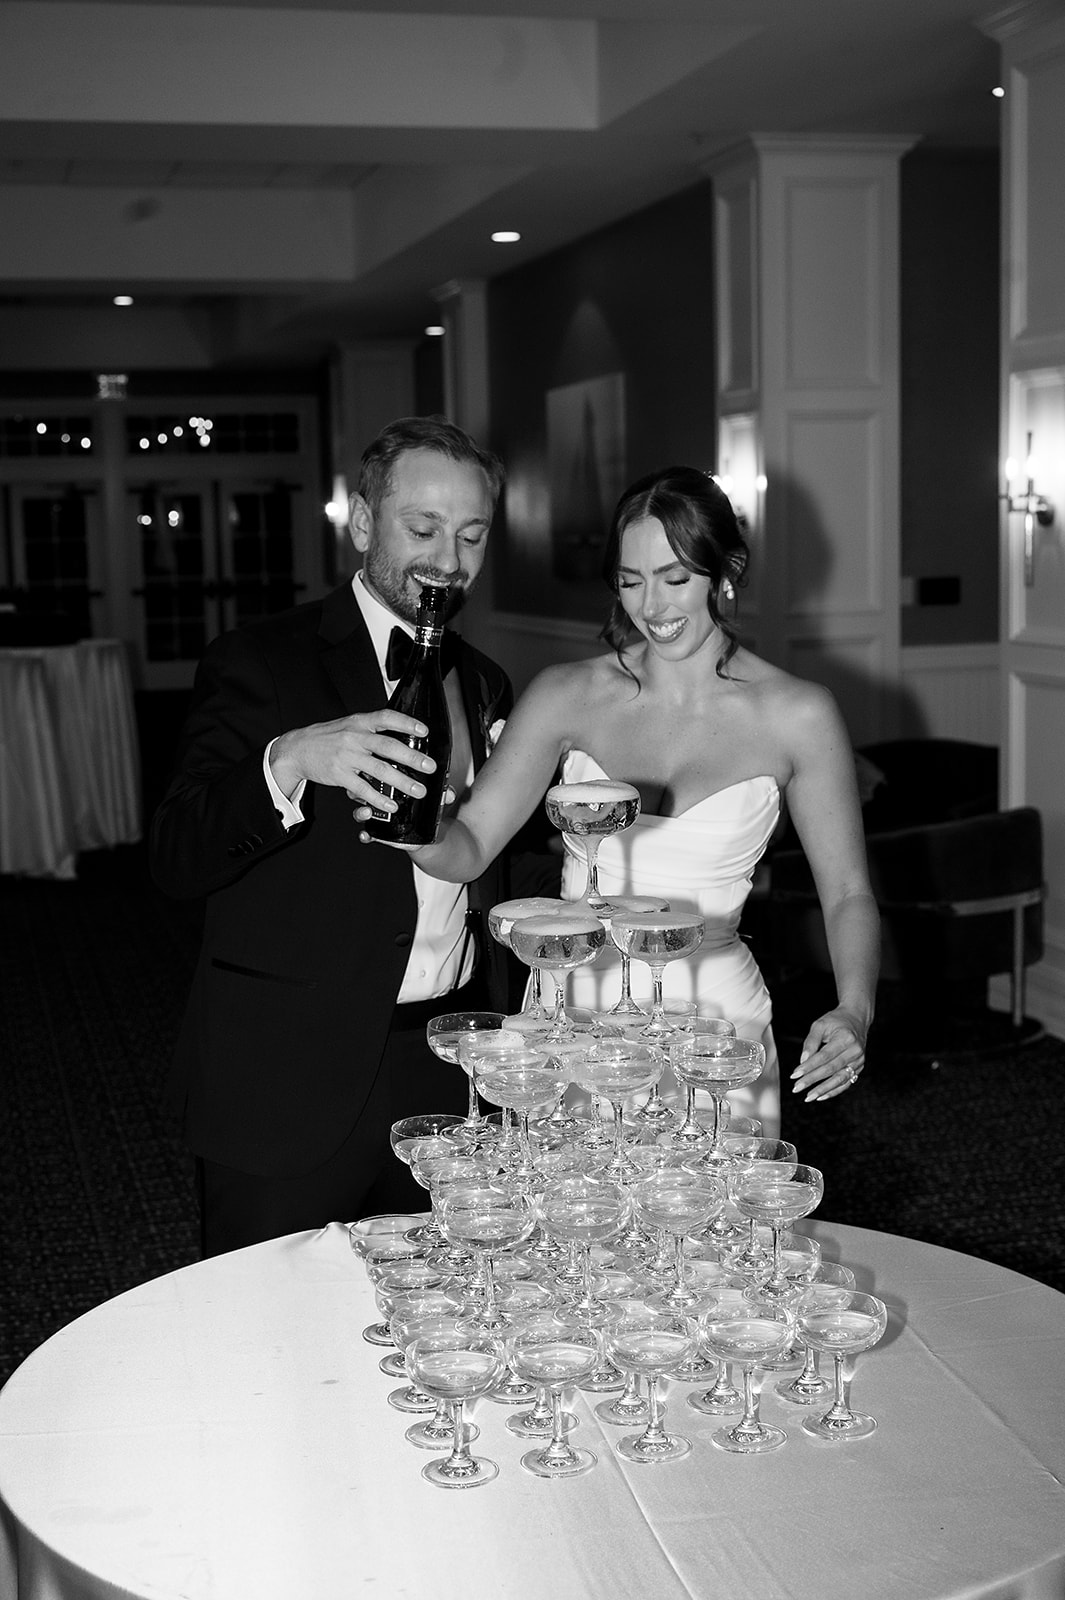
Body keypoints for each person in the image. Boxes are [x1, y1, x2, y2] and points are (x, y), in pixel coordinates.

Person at [406, 465, 879, 1137]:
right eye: (630, 582)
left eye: (674, 578)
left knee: (709, 1229)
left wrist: (853, 1007)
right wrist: (416, 830)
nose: (652, 607)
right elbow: (471, 845)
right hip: (576, 1012)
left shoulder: (797, 715)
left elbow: (847, 893)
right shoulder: (567, 693)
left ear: (727, 570)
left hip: (714, 1021)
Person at [150, 416, 513, 1254]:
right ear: (360, 523)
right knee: (265, 1343)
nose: (447, 561)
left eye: (470, 536)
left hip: (450, 1069)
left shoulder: (485, 682)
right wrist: (289, 761)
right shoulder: (261, 660)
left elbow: (489, 865)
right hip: (289, 1074)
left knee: (442, 1334)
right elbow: (175, 857)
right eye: (421, 529)